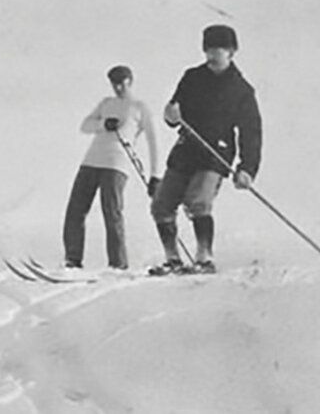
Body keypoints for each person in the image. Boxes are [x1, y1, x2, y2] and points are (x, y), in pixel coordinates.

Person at [150, 25, 262, 275]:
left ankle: (204, 258)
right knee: (161, 205)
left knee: (199, 201)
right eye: (208, 49)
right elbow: (174, 113)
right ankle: (172, 259)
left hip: (216, 153)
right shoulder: (191, 77)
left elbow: (251, 133)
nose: (211, 55)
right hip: (186, 149)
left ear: (231, 51)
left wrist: (247, 169)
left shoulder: (241, 89)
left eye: (218, 49)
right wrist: (170, 116)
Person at [61, 65, 159, 271]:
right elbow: (85, 126)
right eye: (114, 83)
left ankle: (118, 264)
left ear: (130, 81)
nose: (118, 87)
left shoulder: (139, 107)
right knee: (75, 210)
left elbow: (153, 142)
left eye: (121, 83)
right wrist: (104, 124)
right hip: (91, 161)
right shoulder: (107, 103)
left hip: (116, 165)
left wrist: (155, 176)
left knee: (111, 212)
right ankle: (72, 259)